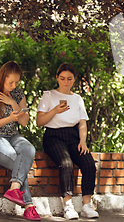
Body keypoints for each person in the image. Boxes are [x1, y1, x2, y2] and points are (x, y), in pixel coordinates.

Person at [36, 63, 98, 220]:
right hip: (53, 136)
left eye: (69, 79)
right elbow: (39, 121)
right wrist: (55, 110)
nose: (66, 82)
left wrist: (83, 141)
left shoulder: (77, 99)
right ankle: (68, 206)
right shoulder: (48, 95)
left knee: (89, 163)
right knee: (67, 163)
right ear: (57, 78)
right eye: (62, 78)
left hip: (73, 136)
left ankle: (86, 205)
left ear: (74, 79)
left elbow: (82, 123)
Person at [0, 61, 41, 221]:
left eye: (16, 82)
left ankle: (14, 188)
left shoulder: (18, 95)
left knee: (29, 149)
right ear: (2, 78)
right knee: (18, 161)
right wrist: (9, 118)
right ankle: (29, 206)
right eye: (10, 82)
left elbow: (24, 122)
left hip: (13, 135)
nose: (14, 85)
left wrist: (14, 104)